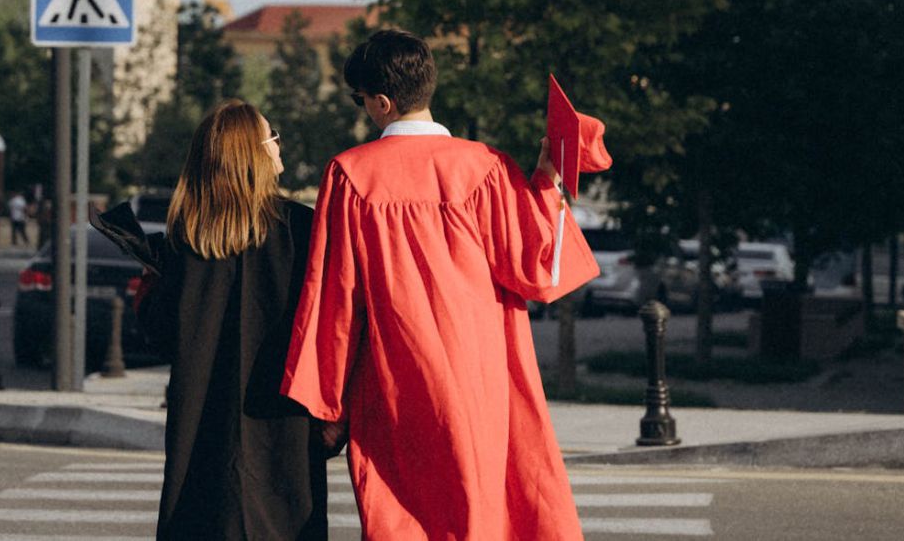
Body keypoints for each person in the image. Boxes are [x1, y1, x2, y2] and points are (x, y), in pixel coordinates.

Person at [281, 30, 600, 539]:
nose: (362, 108)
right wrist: (546, 184)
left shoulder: (351, 175)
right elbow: (541, 269)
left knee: (406, 513)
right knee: (484, 505)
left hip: (397, 378)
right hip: (485, 376)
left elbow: (335, 296)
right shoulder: (487, 166)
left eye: (359, 98)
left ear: (381, 102)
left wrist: (328, 401)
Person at [93, 100, 329, 540]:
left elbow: (162, 336)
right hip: (283, 422)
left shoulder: (188, 239)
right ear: (254, 154)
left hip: (203, 426)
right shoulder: (302, 230)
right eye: (272, 137)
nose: (279, 145)